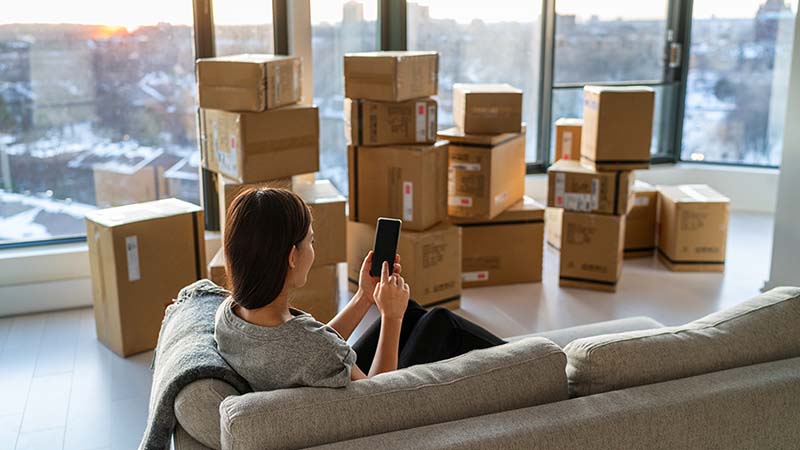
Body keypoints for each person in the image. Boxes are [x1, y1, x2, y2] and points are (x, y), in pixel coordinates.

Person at [214, 187, 505, 392]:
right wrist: (391, 318)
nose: (313, 251)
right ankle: (530, 362)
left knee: (414, 313)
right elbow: (378, 398)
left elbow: (304, 347)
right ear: (292, 257)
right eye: (311, 242)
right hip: (370, 401)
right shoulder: (313, 348)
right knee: (441, 323)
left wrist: (365, 297)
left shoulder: (229, 315)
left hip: (314, 379)